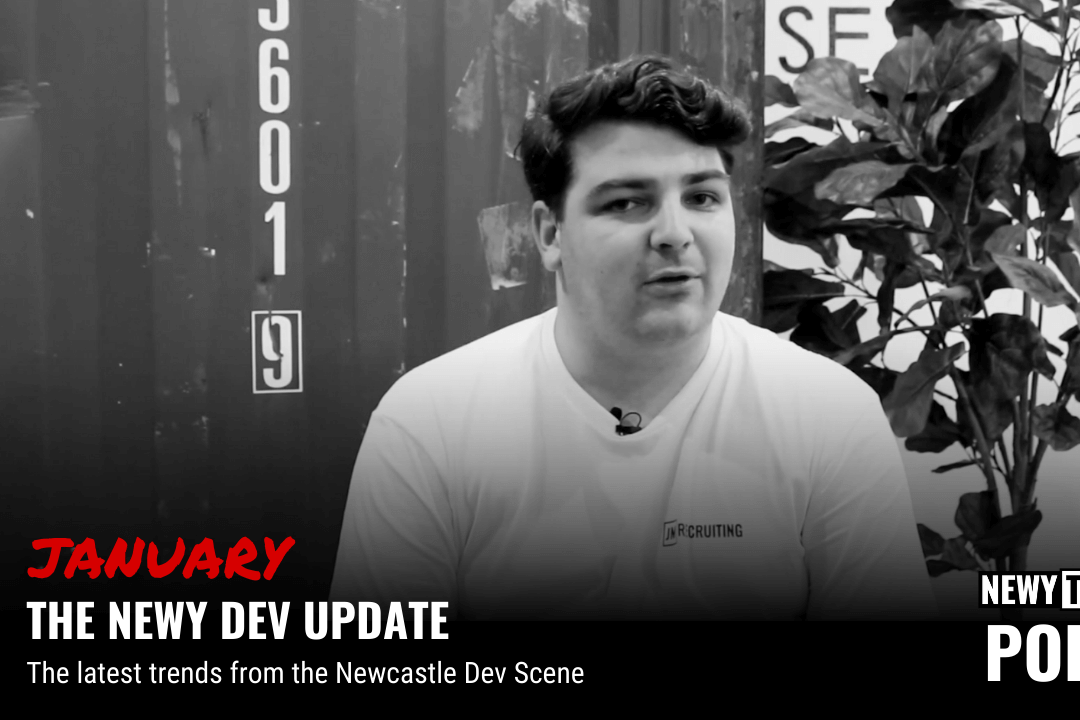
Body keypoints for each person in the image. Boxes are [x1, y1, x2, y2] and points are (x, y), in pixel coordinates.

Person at [330, 55, 935, 620]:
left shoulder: (828, 415)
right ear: (549, 234)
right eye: (625, 203)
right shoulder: (431, 423)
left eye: (702, 197)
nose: (674, 233)